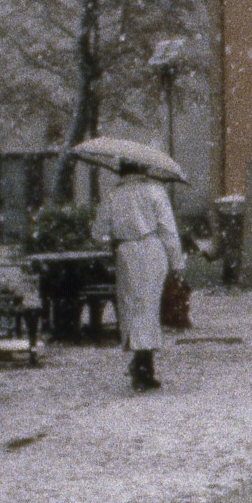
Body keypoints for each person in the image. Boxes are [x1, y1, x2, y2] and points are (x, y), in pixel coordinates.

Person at [91, 154, 183, 387]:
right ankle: (143, 365)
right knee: (149, 307)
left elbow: (98, 232)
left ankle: (140, 363)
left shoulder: (113, 194)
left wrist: (112, 238)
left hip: (126, 252)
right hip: (153, 250)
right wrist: (177, 262)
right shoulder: (155, 191)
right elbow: (168, 229)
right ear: (144, 167)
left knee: (132, 308)